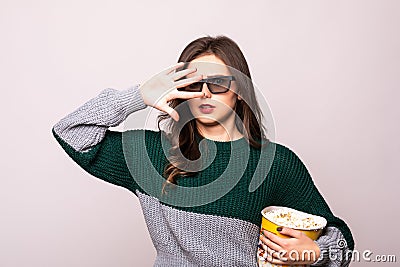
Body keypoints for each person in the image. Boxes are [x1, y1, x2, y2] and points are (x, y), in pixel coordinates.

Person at [52, 35, 354, 266]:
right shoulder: (150, 153)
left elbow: (341, 241)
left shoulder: (275, 163)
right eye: (195, 83)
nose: (206, 92)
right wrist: (138, 95)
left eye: (219, 83)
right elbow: (71, 132)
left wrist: (315, 251)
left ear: (240, 91)